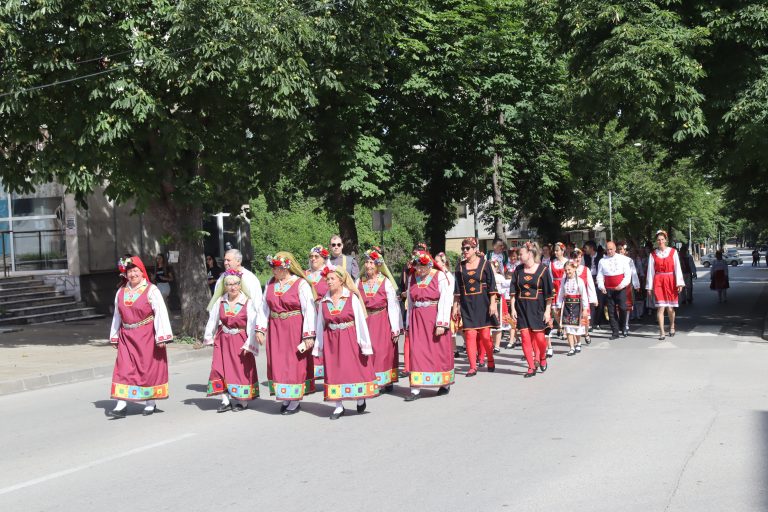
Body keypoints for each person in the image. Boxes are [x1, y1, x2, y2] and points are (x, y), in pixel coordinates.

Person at [107, 256, 173, 418]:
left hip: (146, 335)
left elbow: (160, 313)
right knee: (123, 368)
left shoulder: (151, 290)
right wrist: (114, 335)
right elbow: (117, 315)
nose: (133, 274)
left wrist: (162, 335)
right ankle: (121, 403)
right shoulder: (121, 291)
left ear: (142, 272)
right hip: (127, 336)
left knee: (147, 368)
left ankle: (150, 402)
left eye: (136, 270)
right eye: (130, 271)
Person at [255, 252, 317, 415]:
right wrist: (261, 329)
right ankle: (285, 397)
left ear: (285, 268)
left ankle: (294, 400)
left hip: (294, 327)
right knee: (278, 362)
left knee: (293, 362)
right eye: (273, 268)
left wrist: (308, 334)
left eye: (276, 268)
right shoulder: (270, 283)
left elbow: (309, 309)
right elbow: (264, 307)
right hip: (276, 328)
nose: (273, 271)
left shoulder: (301, 284)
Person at [314, 265, 377, 420]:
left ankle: (360, 397)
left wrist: (364, 344)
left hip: (350, 337)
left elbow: (361, 322)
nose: (328, 282)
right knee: (334, 372)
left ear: (341, 280)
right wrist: (319, 347)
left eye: (332, 279)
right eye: (327, 279)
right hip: (331, 341)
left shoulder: (351, 298)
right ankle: (338, 406)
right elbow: (320, 324)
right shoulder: (324, 301)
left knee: (354, 369)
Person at [203, 269, 260, 412]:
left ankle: (242, 401)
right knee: (218, 368)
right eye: (229, 284)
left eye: (235, 283)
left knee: (240, 370)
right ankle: (225, 400)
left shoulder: (248, 301)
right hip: (222, 339)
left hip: (240, 339)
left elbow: (252, 324)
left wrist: (249, 344)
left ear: (240, 285)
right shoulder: (221, 300)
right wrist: (209, 336)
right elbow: (213, 319)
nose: (232, 287)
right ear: (225, 285)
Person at [404, 250, 454, 401]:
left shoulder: (439, 276)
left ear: (429, 264)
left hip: (434, 316)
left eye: (422, 266)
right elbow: (410, 301)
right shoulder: (412, 277)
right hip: (417, 318)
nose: (419, 269)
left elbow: (446, 298)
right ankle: (415, 389)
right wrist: (408, 323)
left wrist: (442, 323)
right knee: (417, 351)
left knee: (438, 351)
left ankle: (443, 384)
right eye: (417, 265)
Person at [357, 248, 402, 393]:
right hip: (365, 320)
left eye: (371, 262)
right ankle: (370, 379)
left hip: (381, 319)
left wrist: (395, 328)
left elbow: (393, 306)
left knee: (382, 350)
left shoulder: (385, 282)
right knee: (366, 350)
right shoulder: (359, 281)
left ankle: (384, 381)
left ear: (377, 265)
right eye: (367, 262)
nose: (368, 265)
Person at [452, 237, 498, 376]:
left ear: (474, 249)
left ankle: (490, 359)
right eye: (463, 248)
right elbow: (457, 288)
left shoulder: (485, 264)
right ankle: (472, 366)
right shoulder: (460, 266)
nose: (465, 251)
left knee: (485, 336)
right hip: (467, 305)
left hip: (483, 303)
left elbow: (492, 284)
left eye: (467, 248)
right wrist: (455, 306)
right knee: (470, 335)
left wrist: (493, 303)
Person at [509, 242, 554, 378]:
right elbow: (513, 291)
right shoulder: (518, 270)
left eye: (521, 254)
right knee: (524, 337)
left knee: (540, 338)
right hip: (522, 308)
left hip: (538, 308)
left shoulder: (543, 270)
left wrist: (547, 311)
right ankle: (530, 366)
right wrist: (513, 308)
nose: (519, 257)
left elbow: (549, 294)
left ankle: (542, 356)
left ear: (529, 254)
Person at [646, 230, 685, 340]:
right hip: (658, 280)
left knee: (670, 308)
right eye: (658, 240)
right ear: (656, 241)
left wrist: (679, 283)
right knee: (660, 308)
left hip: (670, 280)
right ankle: (662, 332)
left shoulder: (673, 252)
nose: (660, 241)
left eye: (662, 239)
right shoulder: (653, 254)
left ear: (666, 240)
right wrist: (649, 287)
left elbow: (677, 268)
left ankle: (672, 325)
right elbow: (650, 271)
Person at [597, 241, 633, 339]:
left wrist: (621, 285)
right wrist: (601, 286)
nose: (609, 251)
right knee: (611, 311)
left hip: (620, 288)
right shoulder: (602, 261)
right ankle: (615, 332)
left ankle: (623, 326)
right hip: (608, 289)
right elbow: (600, 276)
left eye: (611, 249)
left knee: (623, 308)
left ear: (615, 249)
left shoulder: (622, 259)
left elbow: (627, 275)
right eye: (608, 249)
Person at [306, 245, 330, 381]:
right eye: (311, 256)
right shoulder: (305, 274)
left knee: (324, 339)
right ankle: (311, 371)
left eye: (316, 256)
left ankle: (327, 370)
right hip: (308, 312)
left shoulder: (328, 274)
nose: (313, 259)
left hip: (322, 312)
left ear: (323, 259)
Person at [555, 261, 590, 356]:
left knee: (577, 327)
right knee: (568, 328)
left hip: (577, 305)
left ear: (574, 269)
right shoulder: (564, 280)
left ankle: (578, 343)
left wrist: (585, 309)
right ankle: (571, 347)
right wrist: (558, 306)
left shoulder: (580, 281)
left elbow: (584, 295)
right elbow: (561, 293)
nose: (567, 272)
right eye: (566, 270)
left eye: (569, 269)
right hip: (566, 305)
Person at [569, 249, 598, 345]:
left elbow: (590, 285)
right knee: (574, 319)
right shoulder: (569, 270)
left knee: (585, 318)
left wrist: (594, 299)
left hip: (583, 298)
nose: (577, 259)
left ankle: (586, 333)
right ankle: (577, 342)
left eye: (579, 257)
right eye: (575, 257)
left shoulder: (586, 269)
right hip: (573, 298)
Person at [490, 260, 510, 354]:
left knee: (499, 324)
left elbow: (507, 285)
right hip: (489, 301)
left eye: (492, 267)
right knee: (490, 324)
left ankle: (497, 345)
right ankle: (491, 344)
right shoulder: (486, 276)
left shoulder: (499, 277)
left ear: (496, 268)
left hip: (499, 301)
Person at [549, 242, 568, 343]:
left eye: (557, 250)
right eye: (555, 251)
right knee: (555, 310)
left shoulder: (567, 261)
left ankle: (564, 330)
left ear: (562, 251)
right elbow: (550, 276)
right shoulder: (552, 263)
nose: (555, 252)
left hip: (565, 285)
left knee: (564, 309)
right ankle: (560, 325)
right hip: (555, 286)